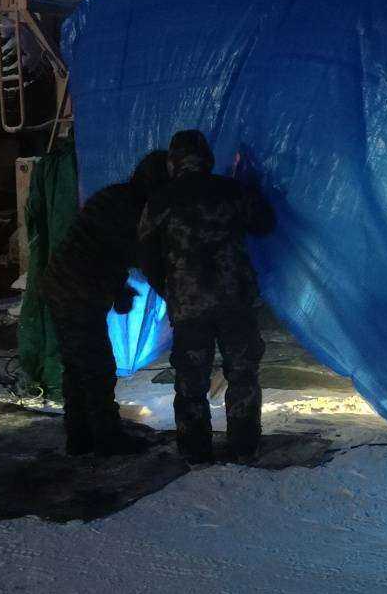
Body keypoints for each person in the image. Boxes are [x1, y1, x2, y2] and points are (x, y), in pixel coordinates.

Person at [138, 130, 276, 463]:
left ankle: (196, 451)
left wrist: (170, 287)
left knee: (191, 379)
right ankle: (245, 447)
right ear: (207, 158)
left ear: (173, 162)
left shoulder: (161, 200)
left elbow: (144, 253)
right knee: (242, 375)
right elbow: (265, 223)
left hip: (190, 305)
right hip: (234, 300)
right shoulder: (231, 191)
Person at [39, 149, 170, 456]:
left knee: (77, 365)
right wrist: (175, 296)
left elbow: (105, 252)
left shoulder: (116, 197)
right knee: (97, 367)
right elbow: (143, 258)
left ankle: (80, 436)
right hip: (76, 291)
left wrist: (119, 290)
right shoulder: (132, 209)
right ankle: (106, 438)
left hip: (64, 285)